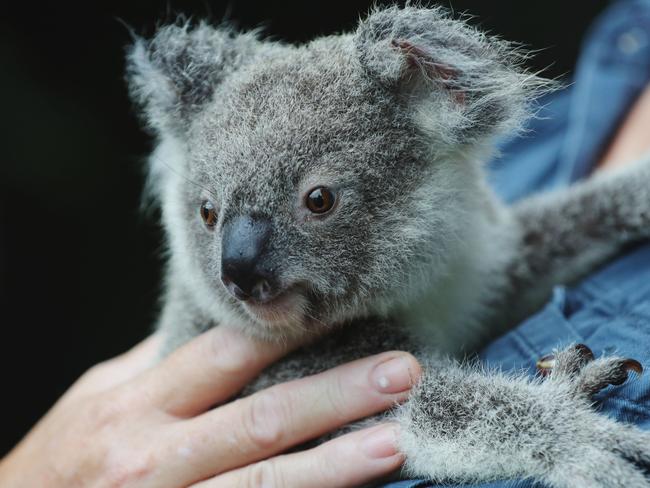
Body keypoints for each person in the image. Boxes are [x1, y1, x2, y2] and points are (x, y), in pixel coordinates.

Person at [1, 1, 649, 487]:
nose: (238, 267)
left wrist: (625, 203)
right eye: (209, 214)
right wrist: (544, 434)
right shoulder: (238, 346)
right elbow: (389, 406)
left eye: (318, 202)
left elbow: (505, 259)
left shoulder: (465, 189)